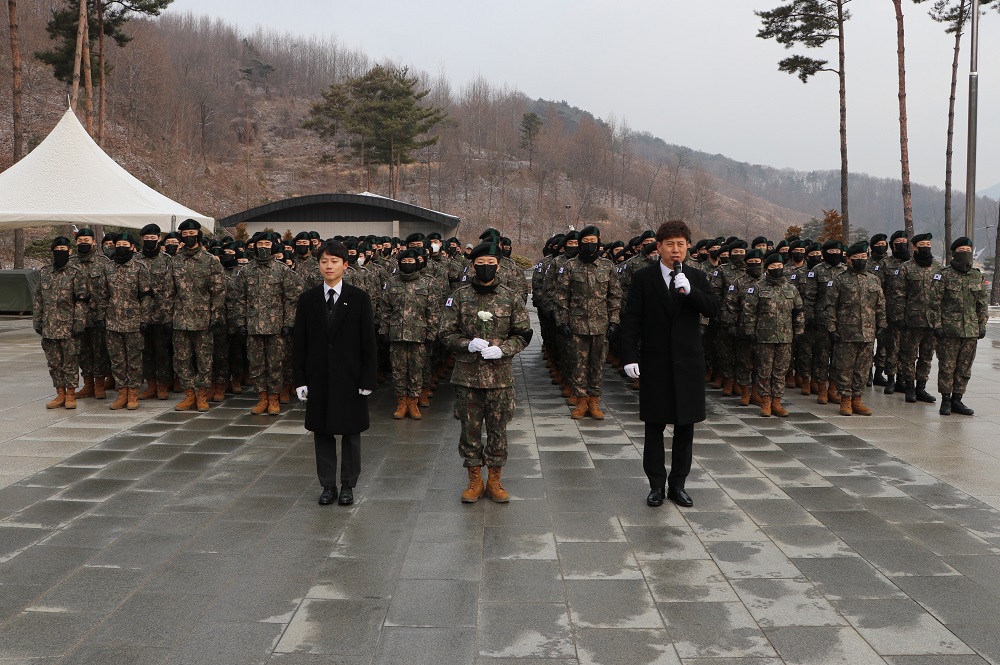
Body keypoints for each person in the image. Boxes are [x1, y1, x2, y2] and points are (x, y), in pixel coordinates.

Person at [620, 220, 721, 508]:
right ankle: (655, 485)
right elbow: (632, 319)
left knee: (685, 428)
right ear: (659, 247)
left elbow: (714, 309)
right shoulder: (643, 278)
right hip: (655, 362)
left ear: (688, 246)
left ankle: (678, 485)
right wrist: (629, 356)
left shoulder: (697, 277)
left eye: (680, 244)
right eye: (669, 244)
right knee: (653, 427)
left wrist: (691, 292)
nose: (675, 250)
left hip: (688, 363)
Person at [439, 241, 533, 503]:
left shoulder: (510, 297)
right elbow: (445, 333)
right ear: (473, 265)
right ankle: (474, 480)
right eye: (480, 264)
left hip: (499, 377)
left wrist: (505, 349)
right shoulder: (458, 296)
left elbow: (524, 333)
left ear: (498, 266)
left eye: (490, 264)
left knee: (498, 430)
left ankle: (494, 479)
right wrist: (466, 343)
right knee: (469, 430)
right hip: (467, 376)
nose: (485, 268)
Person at [293, 240, 377, 506]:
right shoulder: (308, 299)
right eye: (324, 261)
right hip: (319, 377)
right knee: (323, 432)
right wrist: (300, 380)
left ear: (345, 265)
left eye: (334, 261)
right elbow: (299, 342)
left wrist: (367, 378)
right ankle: (327, 485)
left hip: (350, 377)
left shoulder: (359, 298)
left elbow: (368, 343)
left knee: (351, 433)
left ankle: (348, 485)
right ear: (318, 265)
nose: (329, 266)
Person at [553, 225, 622, 419]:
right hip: (577, 325)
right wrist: (562, 321)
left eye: (593, 242)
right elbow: (561, 296)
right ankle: (581, 400)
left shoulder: (607, 267)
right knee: (578, 364)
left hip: (601, 325)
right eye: (586, 242)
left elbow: (615, 296)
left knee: (597, 364)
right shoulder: (570, 266)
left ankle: (594, 400)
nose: (589, 245)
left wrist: (614, 320)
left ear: (599, 243)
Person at [165, 219, 225, 412]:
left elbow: (218, 291)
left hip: (203, 320)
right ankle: (189, 394)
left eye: (193, 233)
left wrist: (216, 316)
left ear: (199, 235)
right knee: (181, 359)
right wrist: (168, 317)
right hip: (180, 320)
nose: (189, 237)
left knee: (204, 359)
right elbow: (168, 292)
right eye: (185, 234)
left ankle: (202, 395)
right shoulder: (174, 261)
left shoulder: (210, 261)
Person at [825, 242, 886, 416]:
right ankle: (845, 400)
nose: (860, 261)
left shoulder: (874, 279)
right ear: (848, 260)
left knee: (863, 368)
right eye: (856, 258)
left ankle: (857, 399)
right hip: (846, 332)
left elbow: (880, 305)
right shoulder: (840, 280)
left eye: (863, 258)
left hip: (867, 332)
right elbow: (830, 306)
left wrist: (882, 325)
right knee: (845, 367)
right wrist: (831, 328)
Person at [930, 237, 989, 415]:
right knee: (947, 366)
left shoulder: (976, 275)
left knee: (964, 367)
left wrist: (982, 323)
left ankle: (958, 399)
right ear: (954, 253)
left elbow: (982, 302)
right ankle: (946, 400)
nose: (966, 254)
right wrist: (937, 325)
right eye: (962, 250)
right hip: (949, 330)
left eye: (968, 250)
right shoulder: (943, 275)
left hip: (970, 330)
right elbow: (934, 302)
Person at [34, 237, 89, 410]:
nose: (60, 252)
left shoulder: (76, 273)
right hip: (49, 327)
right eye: (57, 249)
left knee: (70, 361)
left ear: (70, 251)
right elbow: (38, 299)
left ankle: (71, 394)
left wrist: (79, 323)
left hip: (69, 326)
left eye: (63, 248)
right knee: (54, 363)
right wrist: (38, 321)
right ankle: (60, 394)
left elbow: (82, 301)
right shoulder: (45, 272)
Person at [101, 233, 153, 410]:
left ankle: (133, 394)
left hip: (133, 321)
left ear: (132, 247)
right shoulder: (108, 267)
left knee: (134, 359)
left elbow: (146, 296)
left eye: (125, 244)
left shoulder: (139, 267)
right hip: (113, 321)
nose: (121, 247)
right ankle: (122, 392)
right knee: (117, 359)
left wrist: (145, 318)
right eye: (118, 244)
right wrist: (102, 317)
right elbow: (103, 295)